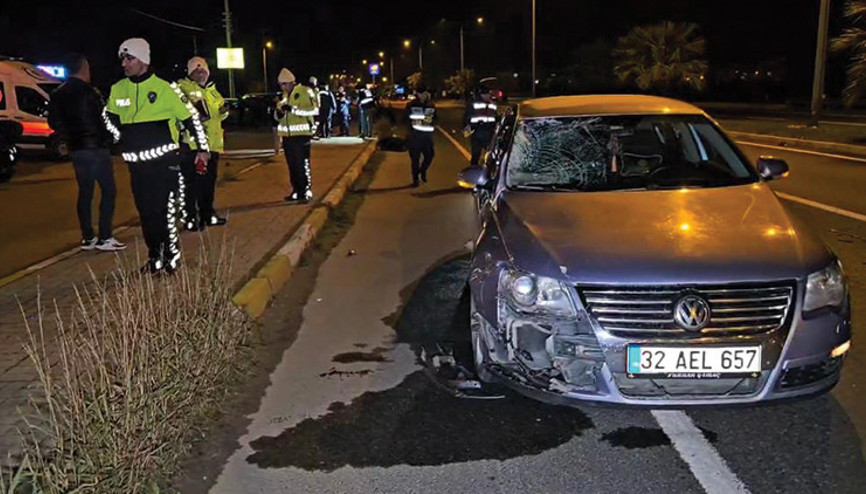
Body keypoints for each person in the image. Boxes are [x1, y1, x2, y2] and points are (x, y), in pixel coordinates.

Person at [104, 38, 209, 274]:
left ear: (143, 60)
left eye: (130, 58)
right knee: (146, 213)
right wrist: (119, 137)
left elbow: (191, 119)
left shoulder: (165, 89)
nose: (124, 64)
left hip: (164, 163)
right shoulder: (118, 88)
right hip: (136, 165)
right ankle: (155, 258)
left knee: (164, 212)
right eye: (122, 59)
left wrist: (202, 149)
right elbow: (109, 118)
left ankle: (170, 257)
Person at [48, 53, 126, 251]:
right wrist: (112, 138)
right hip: (96, 147)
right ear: (84, 69)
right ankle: (105, 236)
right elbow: (103, 119)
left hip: (77, 149)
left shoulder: (58, 94)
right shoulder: (90, 93)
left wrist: (67, 138)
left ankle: (88, 236)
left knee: (85, 192)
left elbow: (53, 122)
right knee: (108, 191)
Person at [177, 56, 228, 231]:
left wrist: (223, 111)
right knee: (192, 185)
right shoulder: (183, 88)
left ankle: (207, 215)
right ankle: (191, 218)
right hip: (193, 146)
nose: (200, 73)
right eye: (196, 70)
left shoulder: (213, 91)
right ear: (190, 73)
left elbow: (218, 114)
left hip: (212, 145)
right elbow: (180, 114)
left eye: (203, 70)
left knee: (208, 183)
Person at [275, 68, 317, 203]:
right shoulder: (284, 96)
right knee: (292, 166)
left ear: (291, 82)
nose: (282, 87)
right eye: (280, 85)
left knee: (302, 165)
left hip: (301, 135)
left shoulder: (304, 92)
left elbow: (314, 110)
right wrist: (279, 114)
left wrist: (293, 110)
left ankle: (305, 191)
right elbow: (278, 116)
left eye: (283, 84)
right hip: (287, 136)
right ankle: (296, 191)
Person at [405, 86, 436, 187]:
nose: (425, 95)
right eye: (422, 93)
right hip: (415, 136)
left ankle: (422, 170)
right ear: (418, 94)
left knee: (430, 155)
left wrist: (433, 124)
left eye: (426, 93)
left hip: (427, 136)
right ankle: (415, 180)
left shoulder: (430, 105)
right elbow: (406, 119)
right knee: (415, 159)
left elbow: (435, 118)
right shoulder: (411, 105)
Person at [463, 85, 498, 167]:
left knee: (488, 154)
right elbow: (466, 117)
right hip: (478, 131)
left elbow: (495, 117)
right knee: (477, 154)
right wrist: (468, 127)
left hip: (487, 131)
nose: (489, 95)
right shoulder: (475, 104)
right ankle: (474, 169)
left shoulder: (491, 104)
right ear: (482, 94)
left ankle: (485, 169)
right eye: (487, 94)